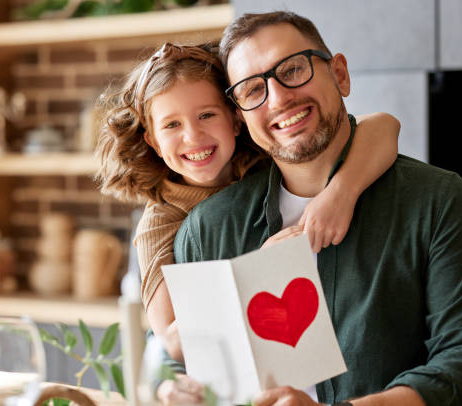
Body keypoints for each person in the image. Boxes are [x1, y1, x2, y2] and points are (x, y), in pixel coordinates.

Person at [170, 11, 462, 406]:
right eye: (251, 90)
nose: (278, 99)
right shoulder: (208, 229)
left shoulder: (439, 203)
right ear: (241, 117)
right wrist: (173, 387)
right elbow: (177, 360)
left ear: (340, 75)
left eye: (293, 69)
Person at [95, 42, 400, 371]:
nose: (193, 135)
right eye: (172, 125)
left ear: (236, 120)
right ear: (152, 140)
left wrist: (340, 192)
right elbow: (172, 339)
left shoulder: (270, 159)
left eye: (207, 115)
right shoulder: (159, 223)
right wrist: (258, 272)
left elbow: (384, 125)